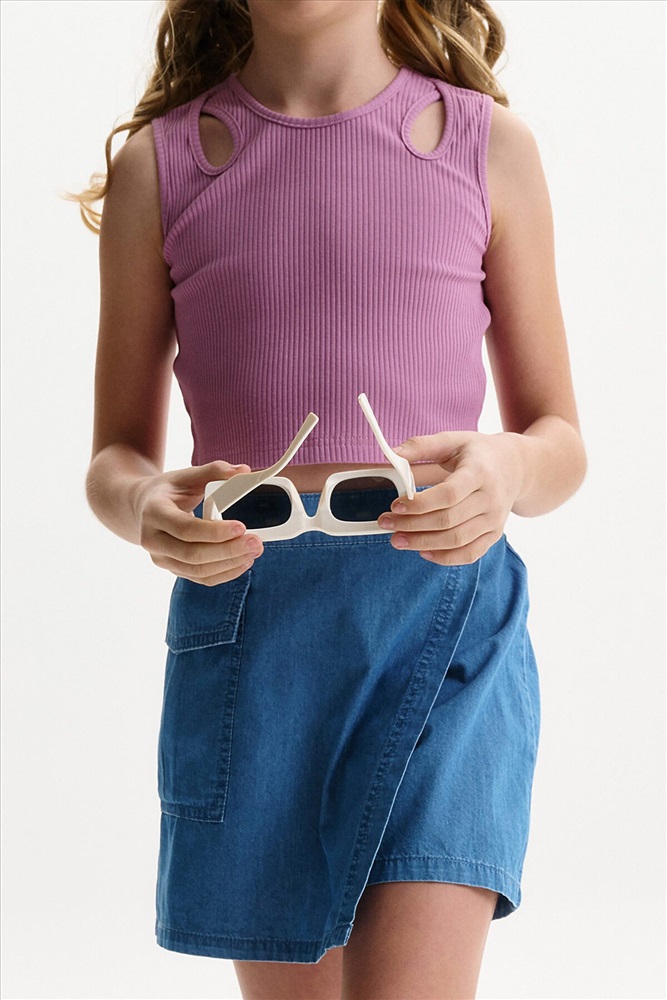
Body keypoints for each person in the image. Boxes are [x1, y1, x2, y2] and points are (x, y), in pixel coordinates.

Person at [72, 1, 587, 997]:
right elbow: (114, 456)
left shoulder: (489, 147)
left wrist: (505, 471)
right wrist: (145, 506)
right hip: (253, 635)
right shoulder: (162, 167)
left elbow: (558, 438)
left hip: (447, 623)